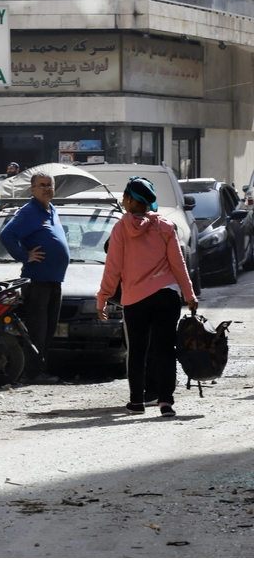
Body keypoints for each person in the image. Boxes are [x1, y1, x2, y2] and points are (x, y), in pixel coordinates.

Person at [96, 176, 197, 417]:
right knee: (165, 350)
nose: (122, 201)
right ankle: (166, 403)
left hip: (135, 300)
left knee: (138, 351)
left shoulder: (121, 228)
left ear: (130, 200)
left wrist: (102, 298)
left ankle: (137, 402)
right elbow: (178, 264)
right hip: (167, 297)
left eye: (124, 197)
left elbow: (113, 269)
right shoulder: (165, 226)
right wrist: (189, 294)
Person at [0, 172, 65, 384]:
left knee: (49, 329)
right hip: (38, 280)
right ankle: (32, 373)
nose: (47, 188)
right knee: (38, 329)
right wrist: (24, 256)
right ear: (33, 189)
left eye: (50, 185)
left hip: (54, 279)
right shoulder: (29, 212)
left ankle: (41, 370)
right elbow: (6, 235)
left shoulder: (51, 209)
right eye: (42, 185)